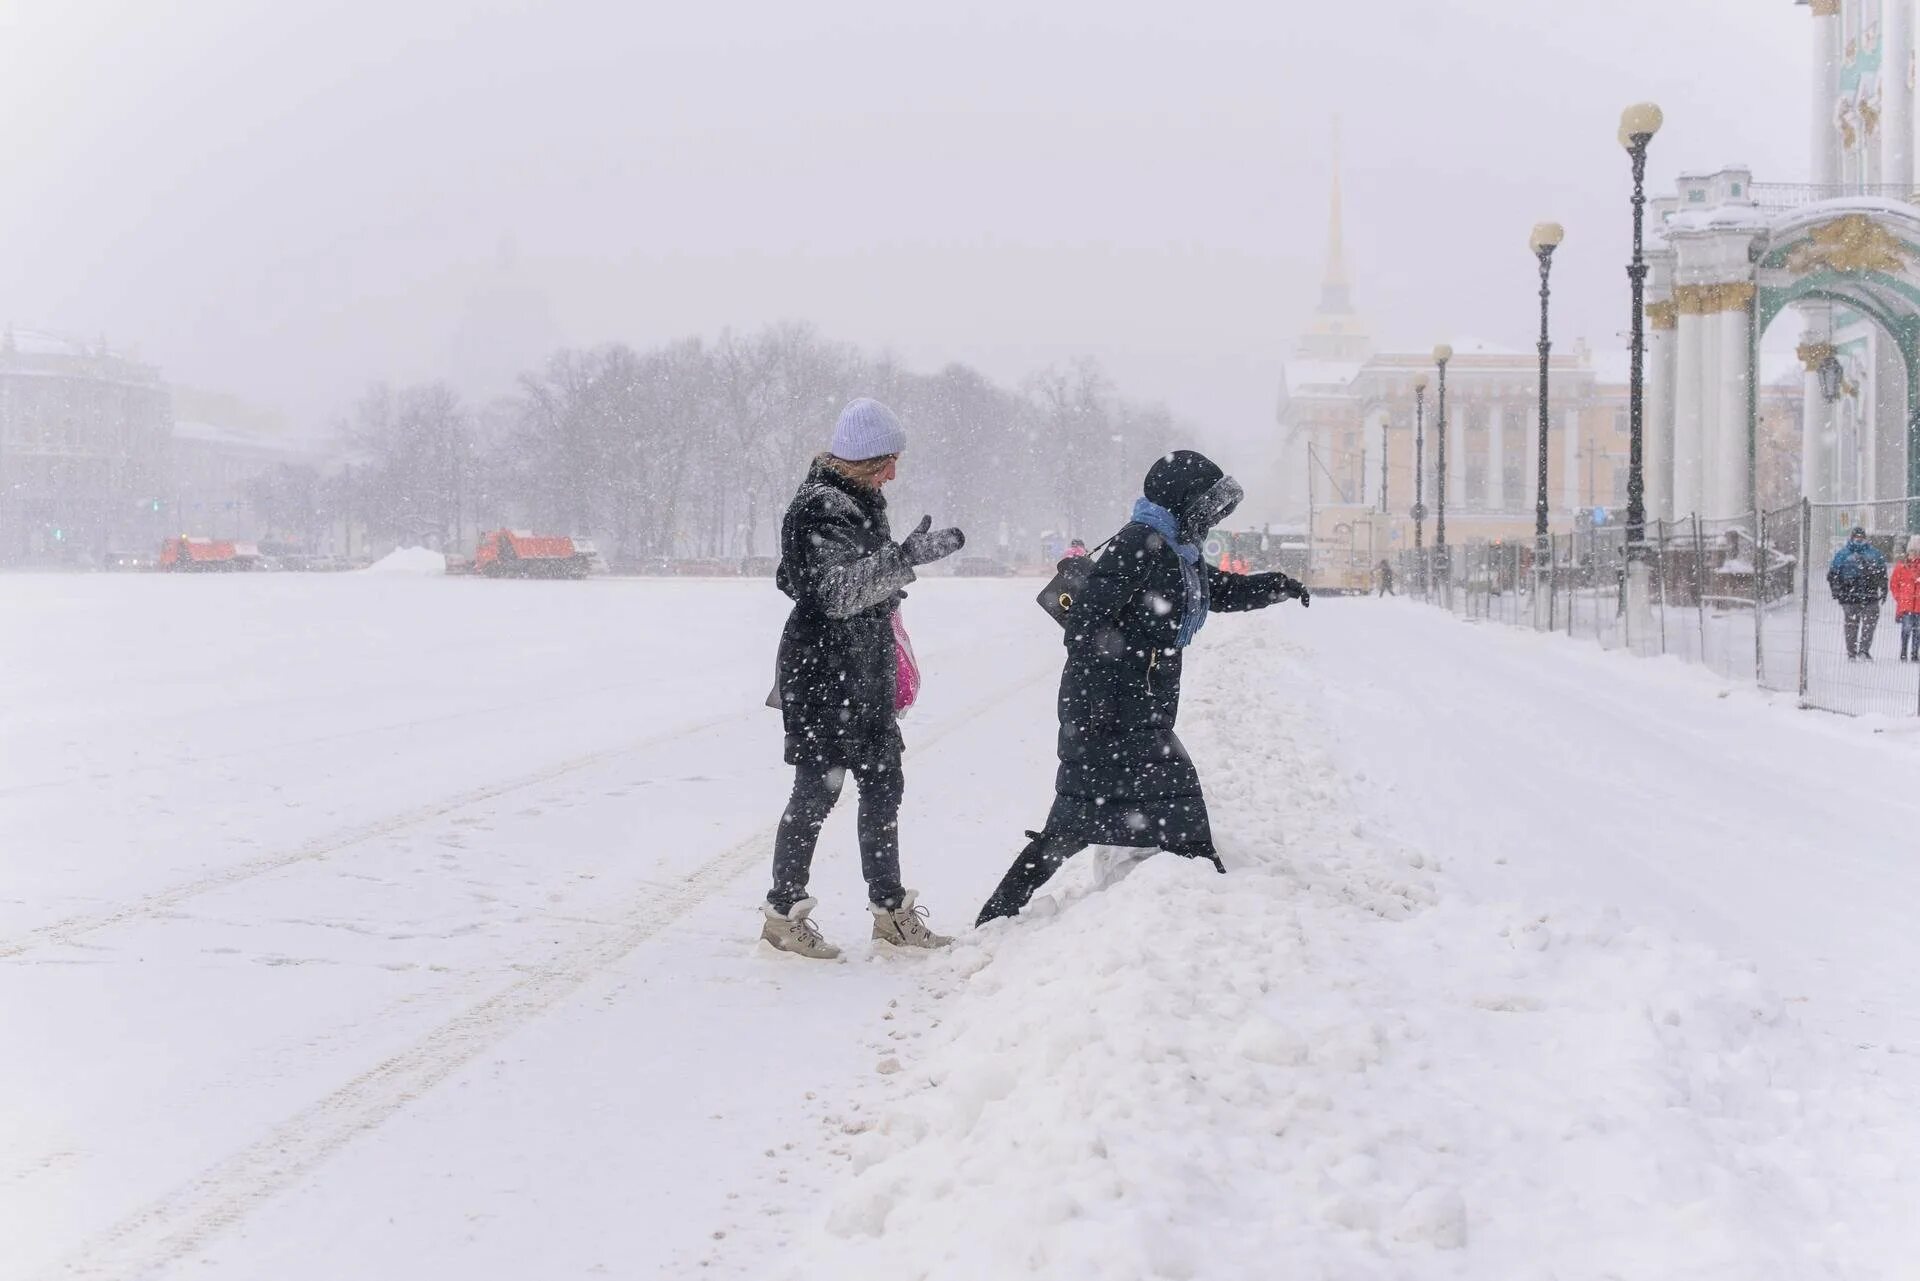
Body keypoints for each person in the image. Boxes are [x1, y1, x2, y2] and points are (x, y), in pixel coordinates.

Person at [977, 450, 1309, 926]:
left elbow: (1222, 592)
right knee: (1165, 805)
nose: (1211, 520)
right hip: (1109, 713)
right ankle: (1215, 900)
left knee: (1075, 821)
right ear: (1182, 502)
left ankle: (997, 916)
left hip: (1134, 711)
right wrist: (1118, 682)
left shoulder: (1176, 553)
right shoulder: (1140, 545)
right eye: (1206, 509)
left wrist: (1276, 585)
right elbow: (1085, 627)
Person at [761, 398, 966, 959]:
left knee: (882, 786)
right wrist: (904, 560)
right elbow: (836, 592)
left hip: (858, 670)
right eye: (888, 461)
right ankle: (783, 917)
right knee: (816, 793)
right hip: (825, 675)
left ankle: (890, 913)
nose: (895, 474)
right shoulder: (822, 507)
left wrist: (892, 572)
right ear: (863, 459)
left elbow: (826, 582)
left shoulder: (858, 500)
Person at [1827, 526, 1890, 662]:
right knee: (1851, 625)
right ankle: (1851, 653)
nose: (1859, 540)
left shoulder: (1875, 554)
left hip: (1870, 596)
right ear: (1852, 538)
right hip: (1849, 597)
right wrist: (1836, 590)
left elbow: (1882, 574)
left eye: (1861, 537)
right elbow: (1833, 575)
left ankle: (1864, 650)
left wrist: (1884, 589)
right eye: (1857, 537)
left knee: (1869, 625)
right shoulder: (1843, 555)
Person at [1892, 536, 1920, 661]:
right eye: (1911, 551)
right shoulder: (1901, 567)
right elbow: (1894, 584)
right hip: (1906, 604)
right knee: (1906, 629)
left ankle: (1914, 653)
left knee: (1918, 631)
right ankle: (1903, 651)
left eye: (1916, 552)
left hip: (1918, 604)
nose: (1913, 554)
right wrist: (1900, 597)